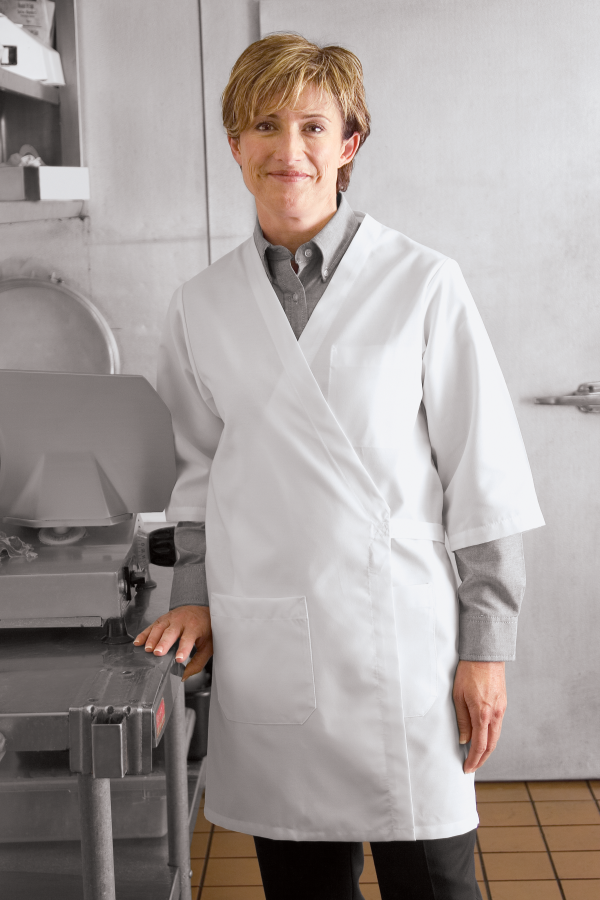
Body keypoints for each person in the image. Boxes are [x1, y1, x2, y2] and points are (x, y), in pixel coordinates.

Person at [134, 33, 544, 900]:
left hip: (408, 644)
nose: (290, 152)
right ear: (235, 144)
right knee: (303, 882)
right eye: (265, 127)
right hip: (271, 638)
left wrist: (487, 647)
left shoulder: (424, 283)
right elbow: (196, 476)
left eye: (314, 128)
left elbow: (486, 478)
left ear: (349, 144)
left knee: (435, 882)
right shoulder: (200, 307)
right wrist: (196, 599)